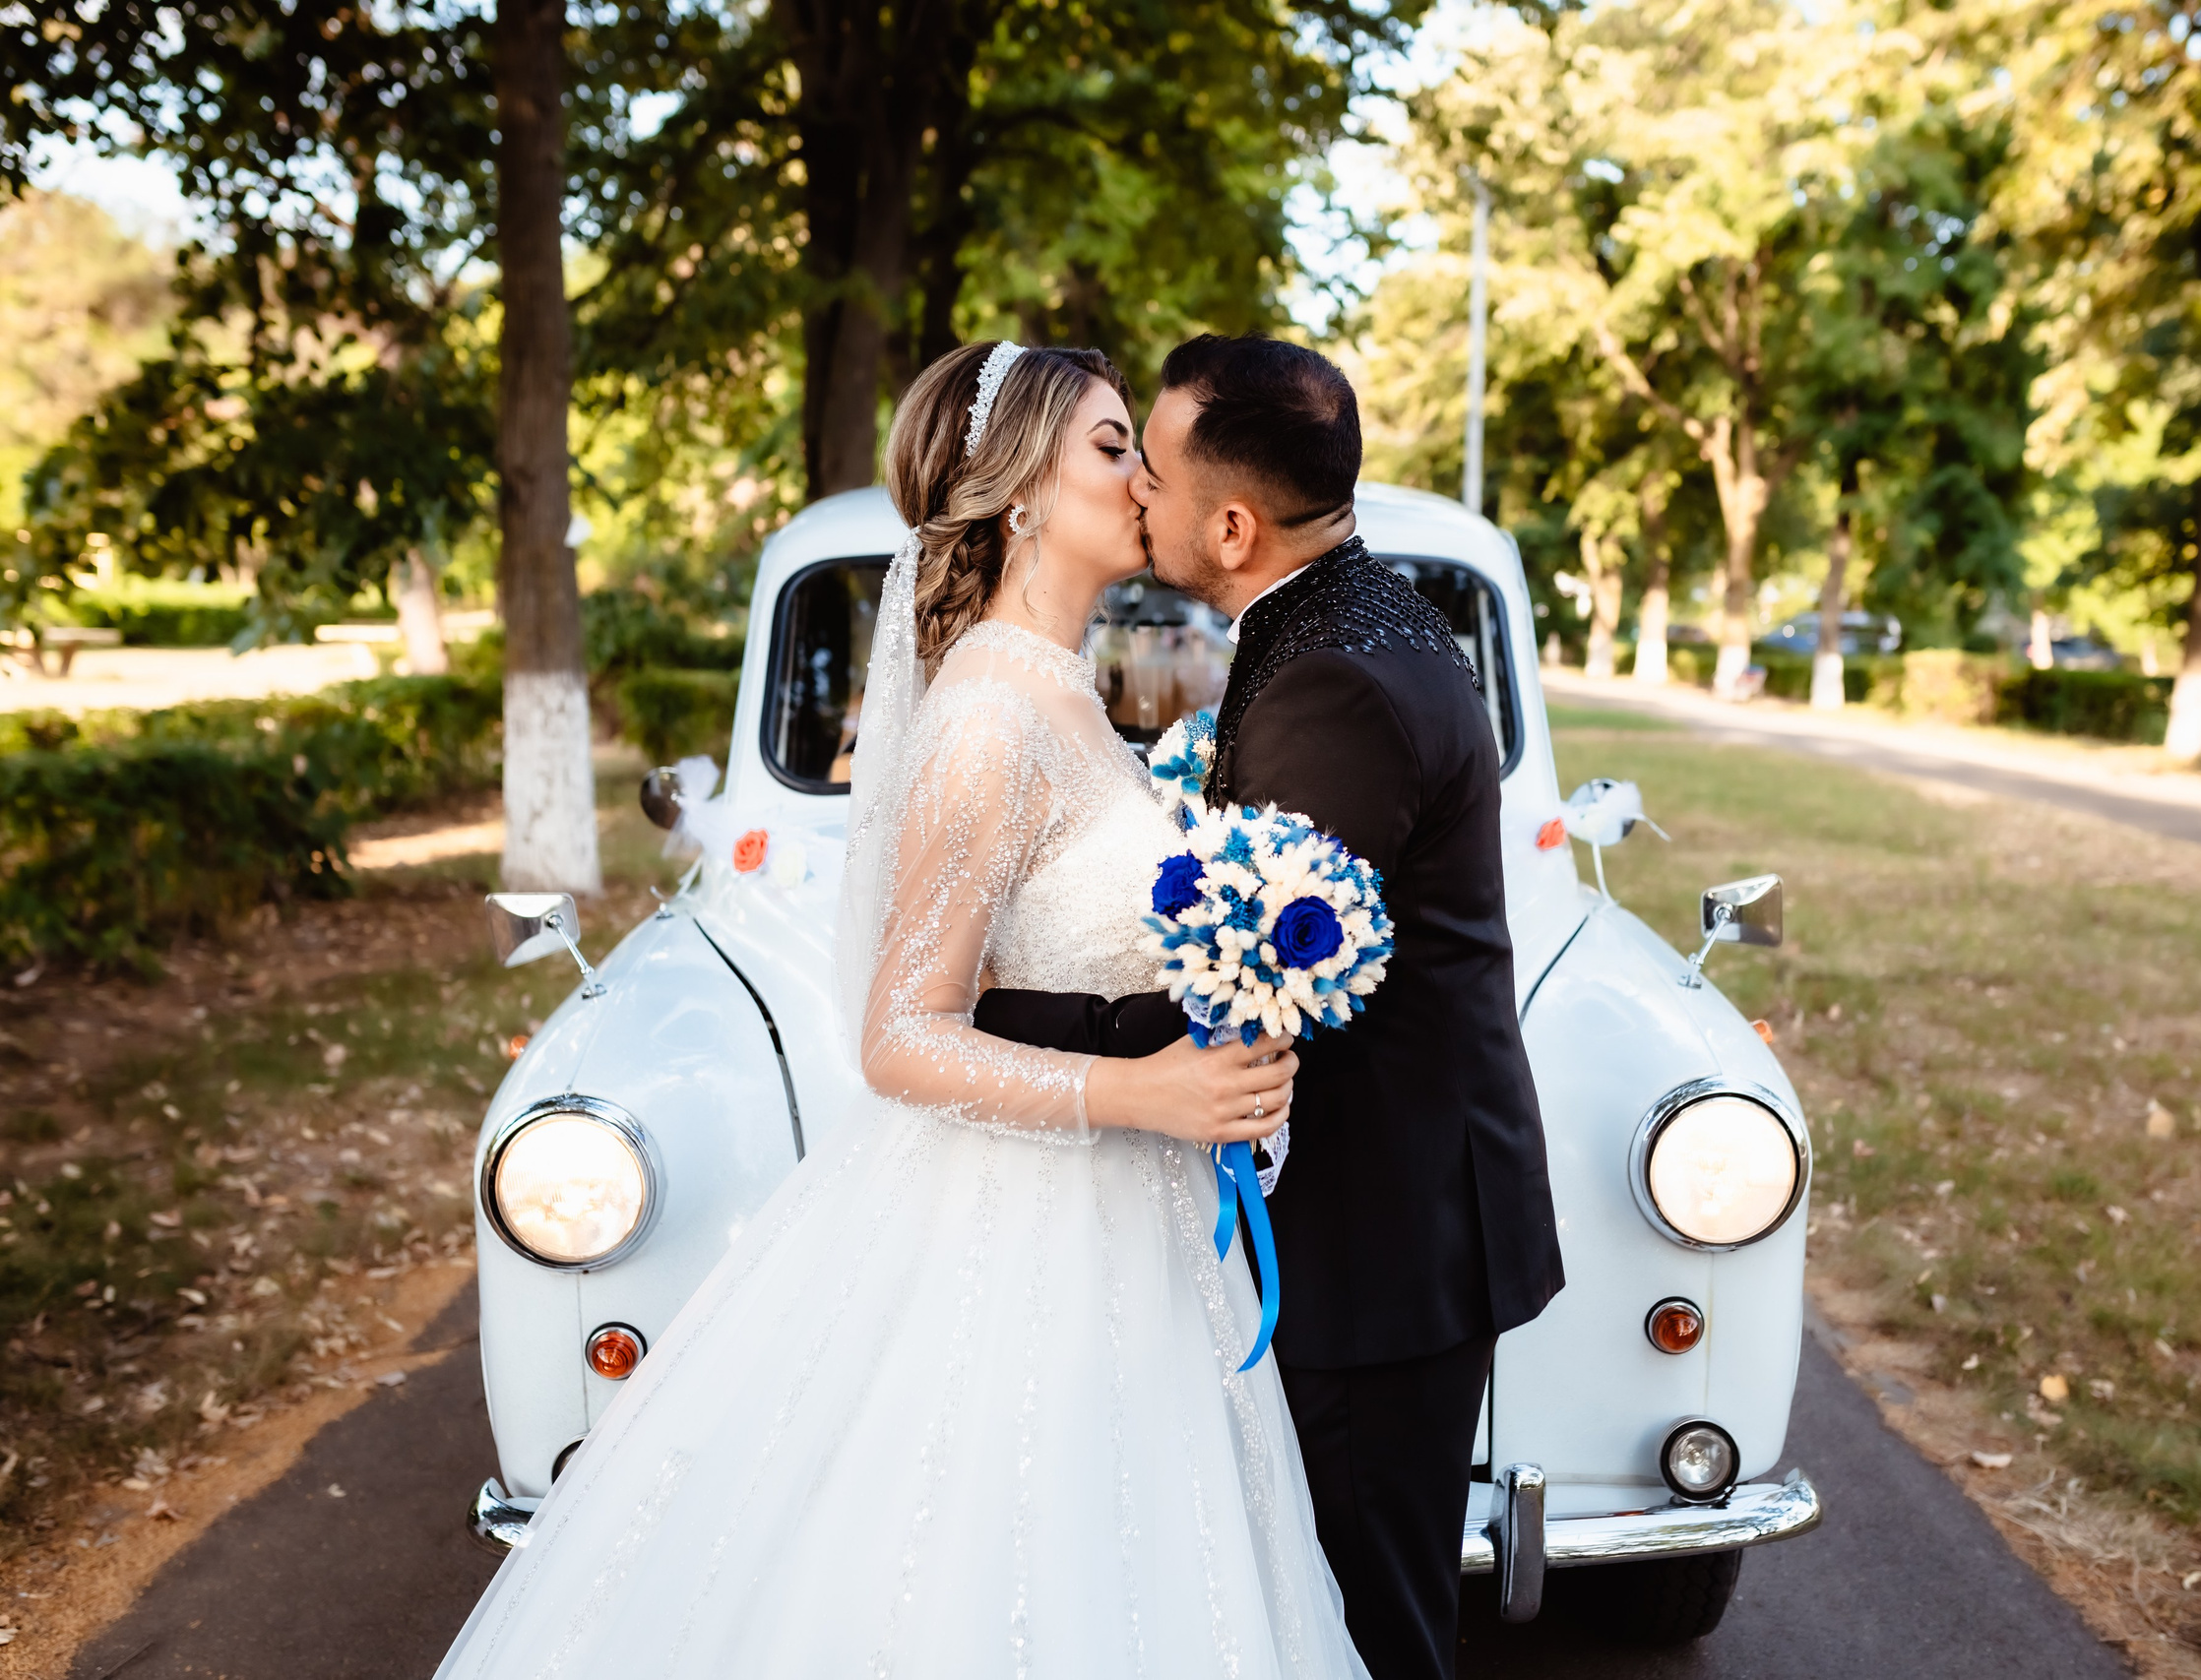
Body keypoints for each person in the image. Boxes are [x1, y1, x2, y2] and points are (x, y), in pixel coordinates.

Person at [428, 342, 1369, 1680]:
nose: (1148, 472)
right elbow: (899, 1033)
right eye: (1114, 446)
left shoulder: (1067, 699)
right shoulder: (990, 710)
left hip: (1138, 1224)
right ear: (1021, 491)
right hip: (1033, 1223)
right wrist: (1137, 1091)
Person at [975, 335, 1565, 1680]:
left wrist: (994, 1022)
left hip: (1378, 1241)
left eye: (1154, 469)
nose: (1136, 493)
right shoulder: (1344, 617)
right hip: (1399, 1210)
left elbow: (1243, 989)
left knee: (1365, 1617)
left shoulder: (1331, 683)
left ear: (1230, 525)